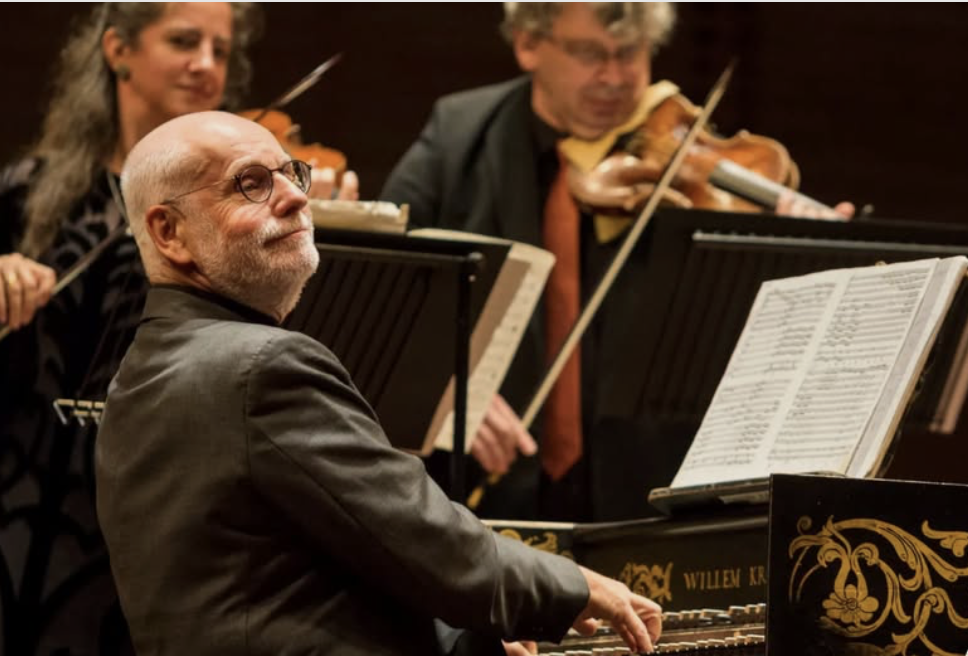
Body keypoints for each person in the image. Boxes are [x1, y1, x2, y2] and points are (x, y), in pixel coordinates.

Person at [95, 109, 663, 656]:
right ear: (169, 231)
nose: (295, 197)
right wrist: (576, 586)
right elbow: (423, 540)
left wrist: (464, 645)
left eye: (291, 173)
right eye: (250, 183)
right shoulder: (262, 367)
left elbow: (292, 585)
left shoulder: (135, 380)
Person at [380, 2, 854, 522]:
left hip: (649, 490)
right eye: (589, 54)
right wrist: (443, 387)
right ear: (528, 44)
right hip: (486, 492)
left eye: (630, 53)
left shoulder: (683, 158)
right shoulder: (458, 137)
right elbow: (385, 287)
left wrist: (803, 249)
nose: (614, 78)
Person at [0, 4, 352, 652]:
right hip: (38, 491)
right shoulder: (25, 192)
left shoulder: (242, 204)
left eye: (221, 50)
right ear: (118, 50)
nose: (206, 66)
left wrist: (318, 233)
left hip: (179, 495)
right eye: (185, 42)